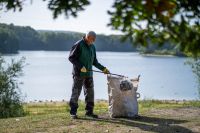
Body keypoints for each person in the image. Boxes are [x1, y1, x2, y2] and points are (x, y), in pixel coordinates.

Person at [68, 31, 110, 119]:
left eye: (95, 40)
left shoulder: (93, 47)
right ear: (87, 37)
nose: (94, 41)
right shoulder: (79, 44)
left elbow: (94, 62)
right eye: (92, 39)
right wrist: (80, 67)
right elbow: (71, 58)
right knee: (76, 93)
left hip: (89, 74)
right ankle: (73, 112)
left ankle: (89, 112)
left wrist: (103, 69)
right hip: (79, 73)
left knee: (90, 93)